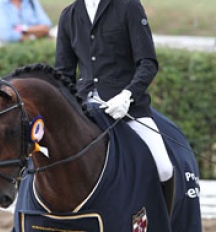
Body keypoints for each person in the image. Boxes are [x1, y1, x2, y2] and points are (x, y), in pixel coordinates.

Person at [55, 0, 175, 218]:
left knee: (164, 167)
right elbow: (63, 73)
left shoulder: (128, 6)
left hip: (126, 106)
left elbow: (148, 63)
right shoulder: (69, 15)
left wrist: (127, 95)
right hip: (85, 107)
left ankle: (162, 223)